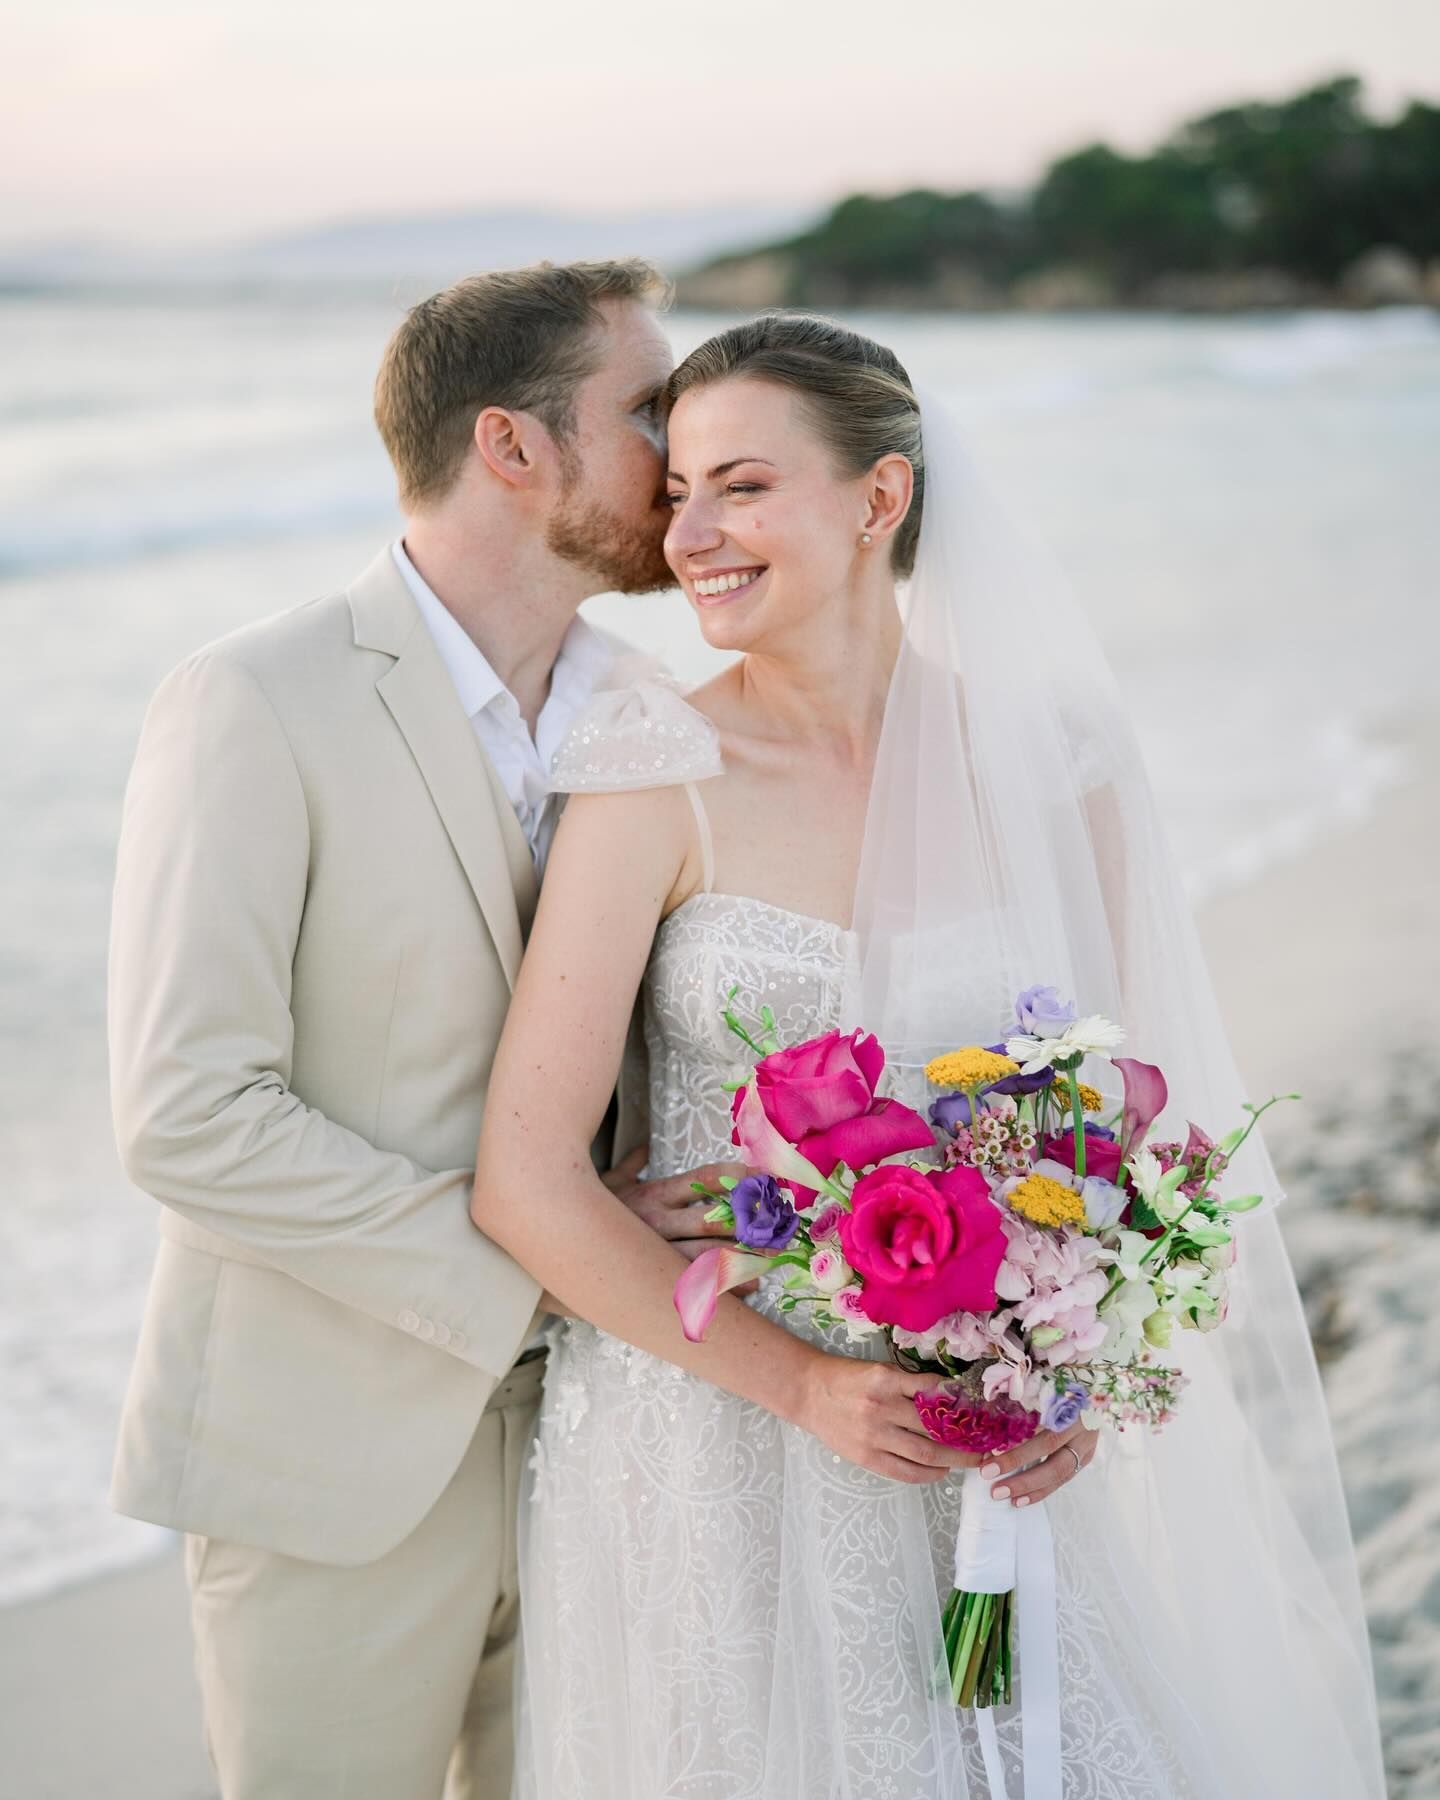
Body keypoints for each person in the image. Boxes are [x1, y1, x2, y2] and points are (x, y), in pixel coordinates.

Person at [471, 314, 1386, 1796]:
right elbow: (525, 1182)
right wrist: (805, 1388)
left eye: (743, 487)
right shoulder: (649, 781)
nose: (688, 533)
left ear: (879, 498)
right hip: (721, 1446)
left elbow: (1142, 1137)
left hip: (982, 1435)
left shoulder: (1056, 758)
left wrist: (1075, 1382)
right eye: (679, 491)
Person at [106, 258, 745, 1800]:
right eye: (651, 408)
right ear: (512, 447)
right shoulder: (257, 699)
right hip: (329, 1465)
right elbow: (189, 1115)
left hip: (612, 1452)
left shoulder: (659, 714)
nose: (690, 442)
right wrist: (543, 1271)